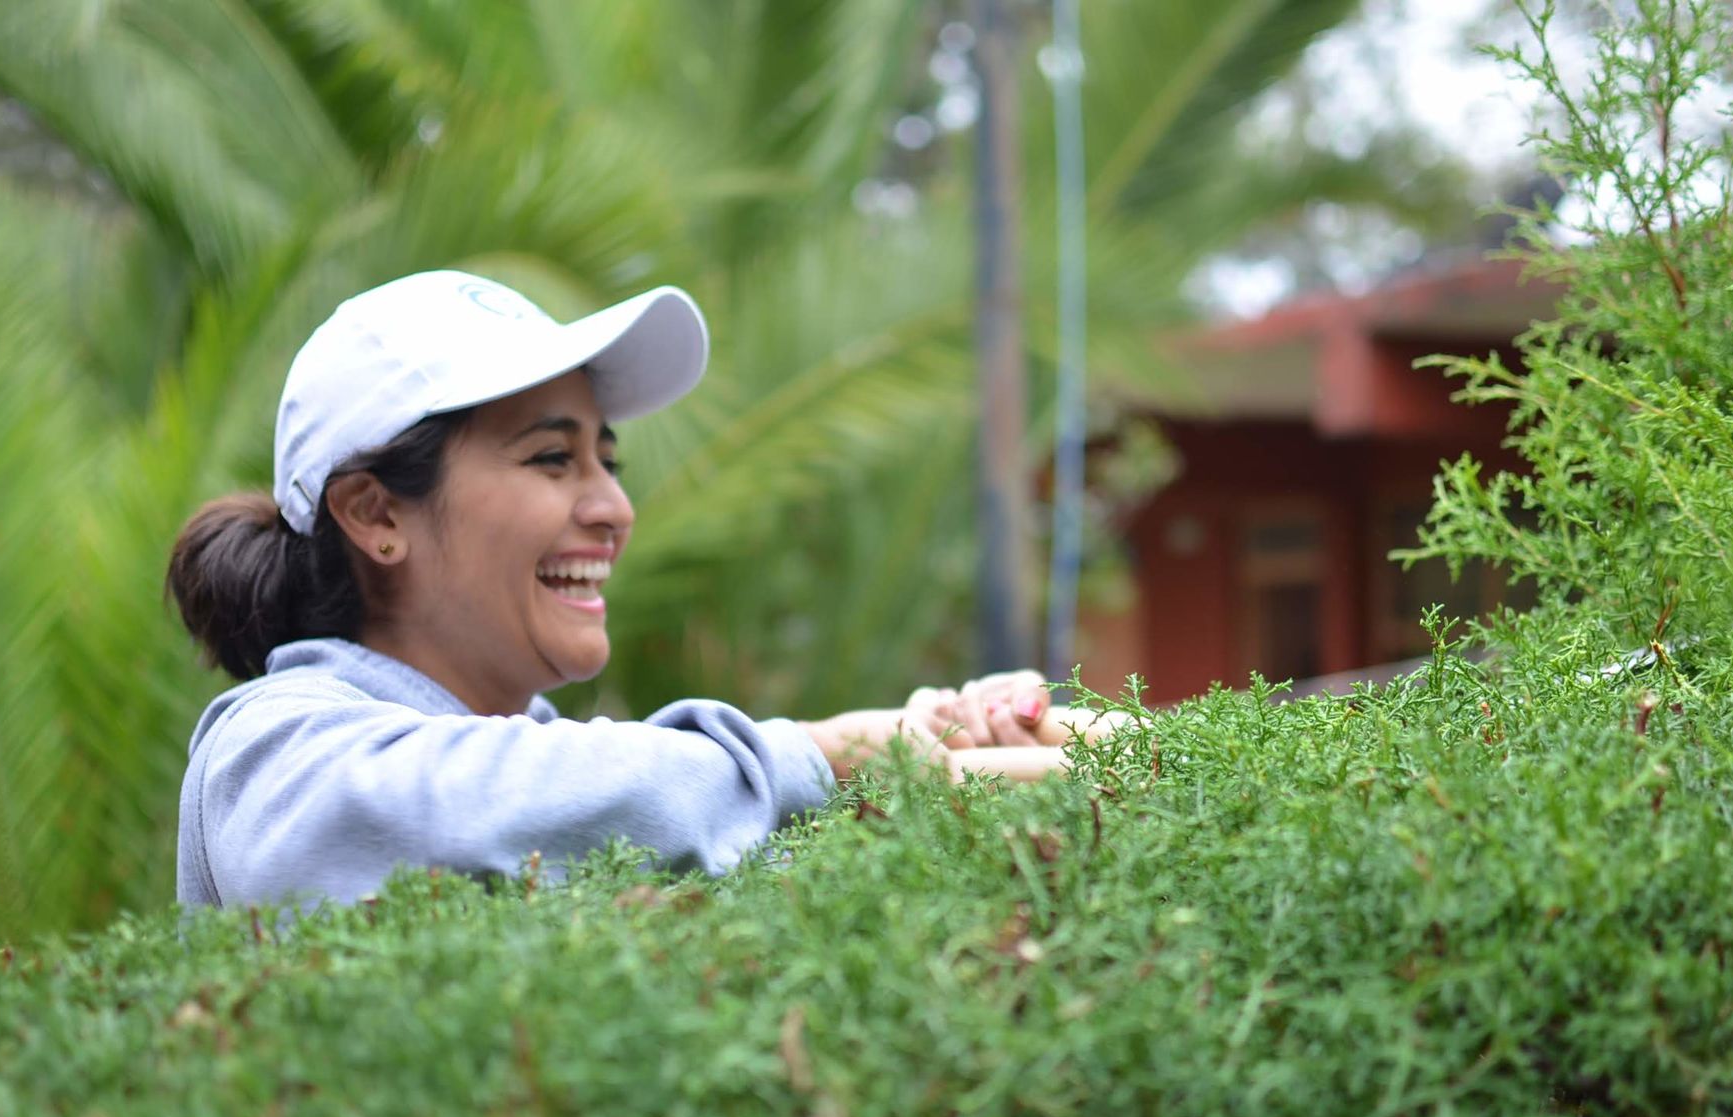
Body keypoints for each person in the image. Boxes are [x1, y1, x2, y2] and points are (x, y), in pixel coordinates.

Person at [166, 271, 1100, 913]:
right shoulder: (275, 749)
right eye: (551, 459)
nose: (615, 507)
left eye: (606, 462)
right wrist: (833, 759)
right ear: (375, 514)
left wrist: (948, 752)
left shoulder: (584, 778)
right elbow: (454, 809)